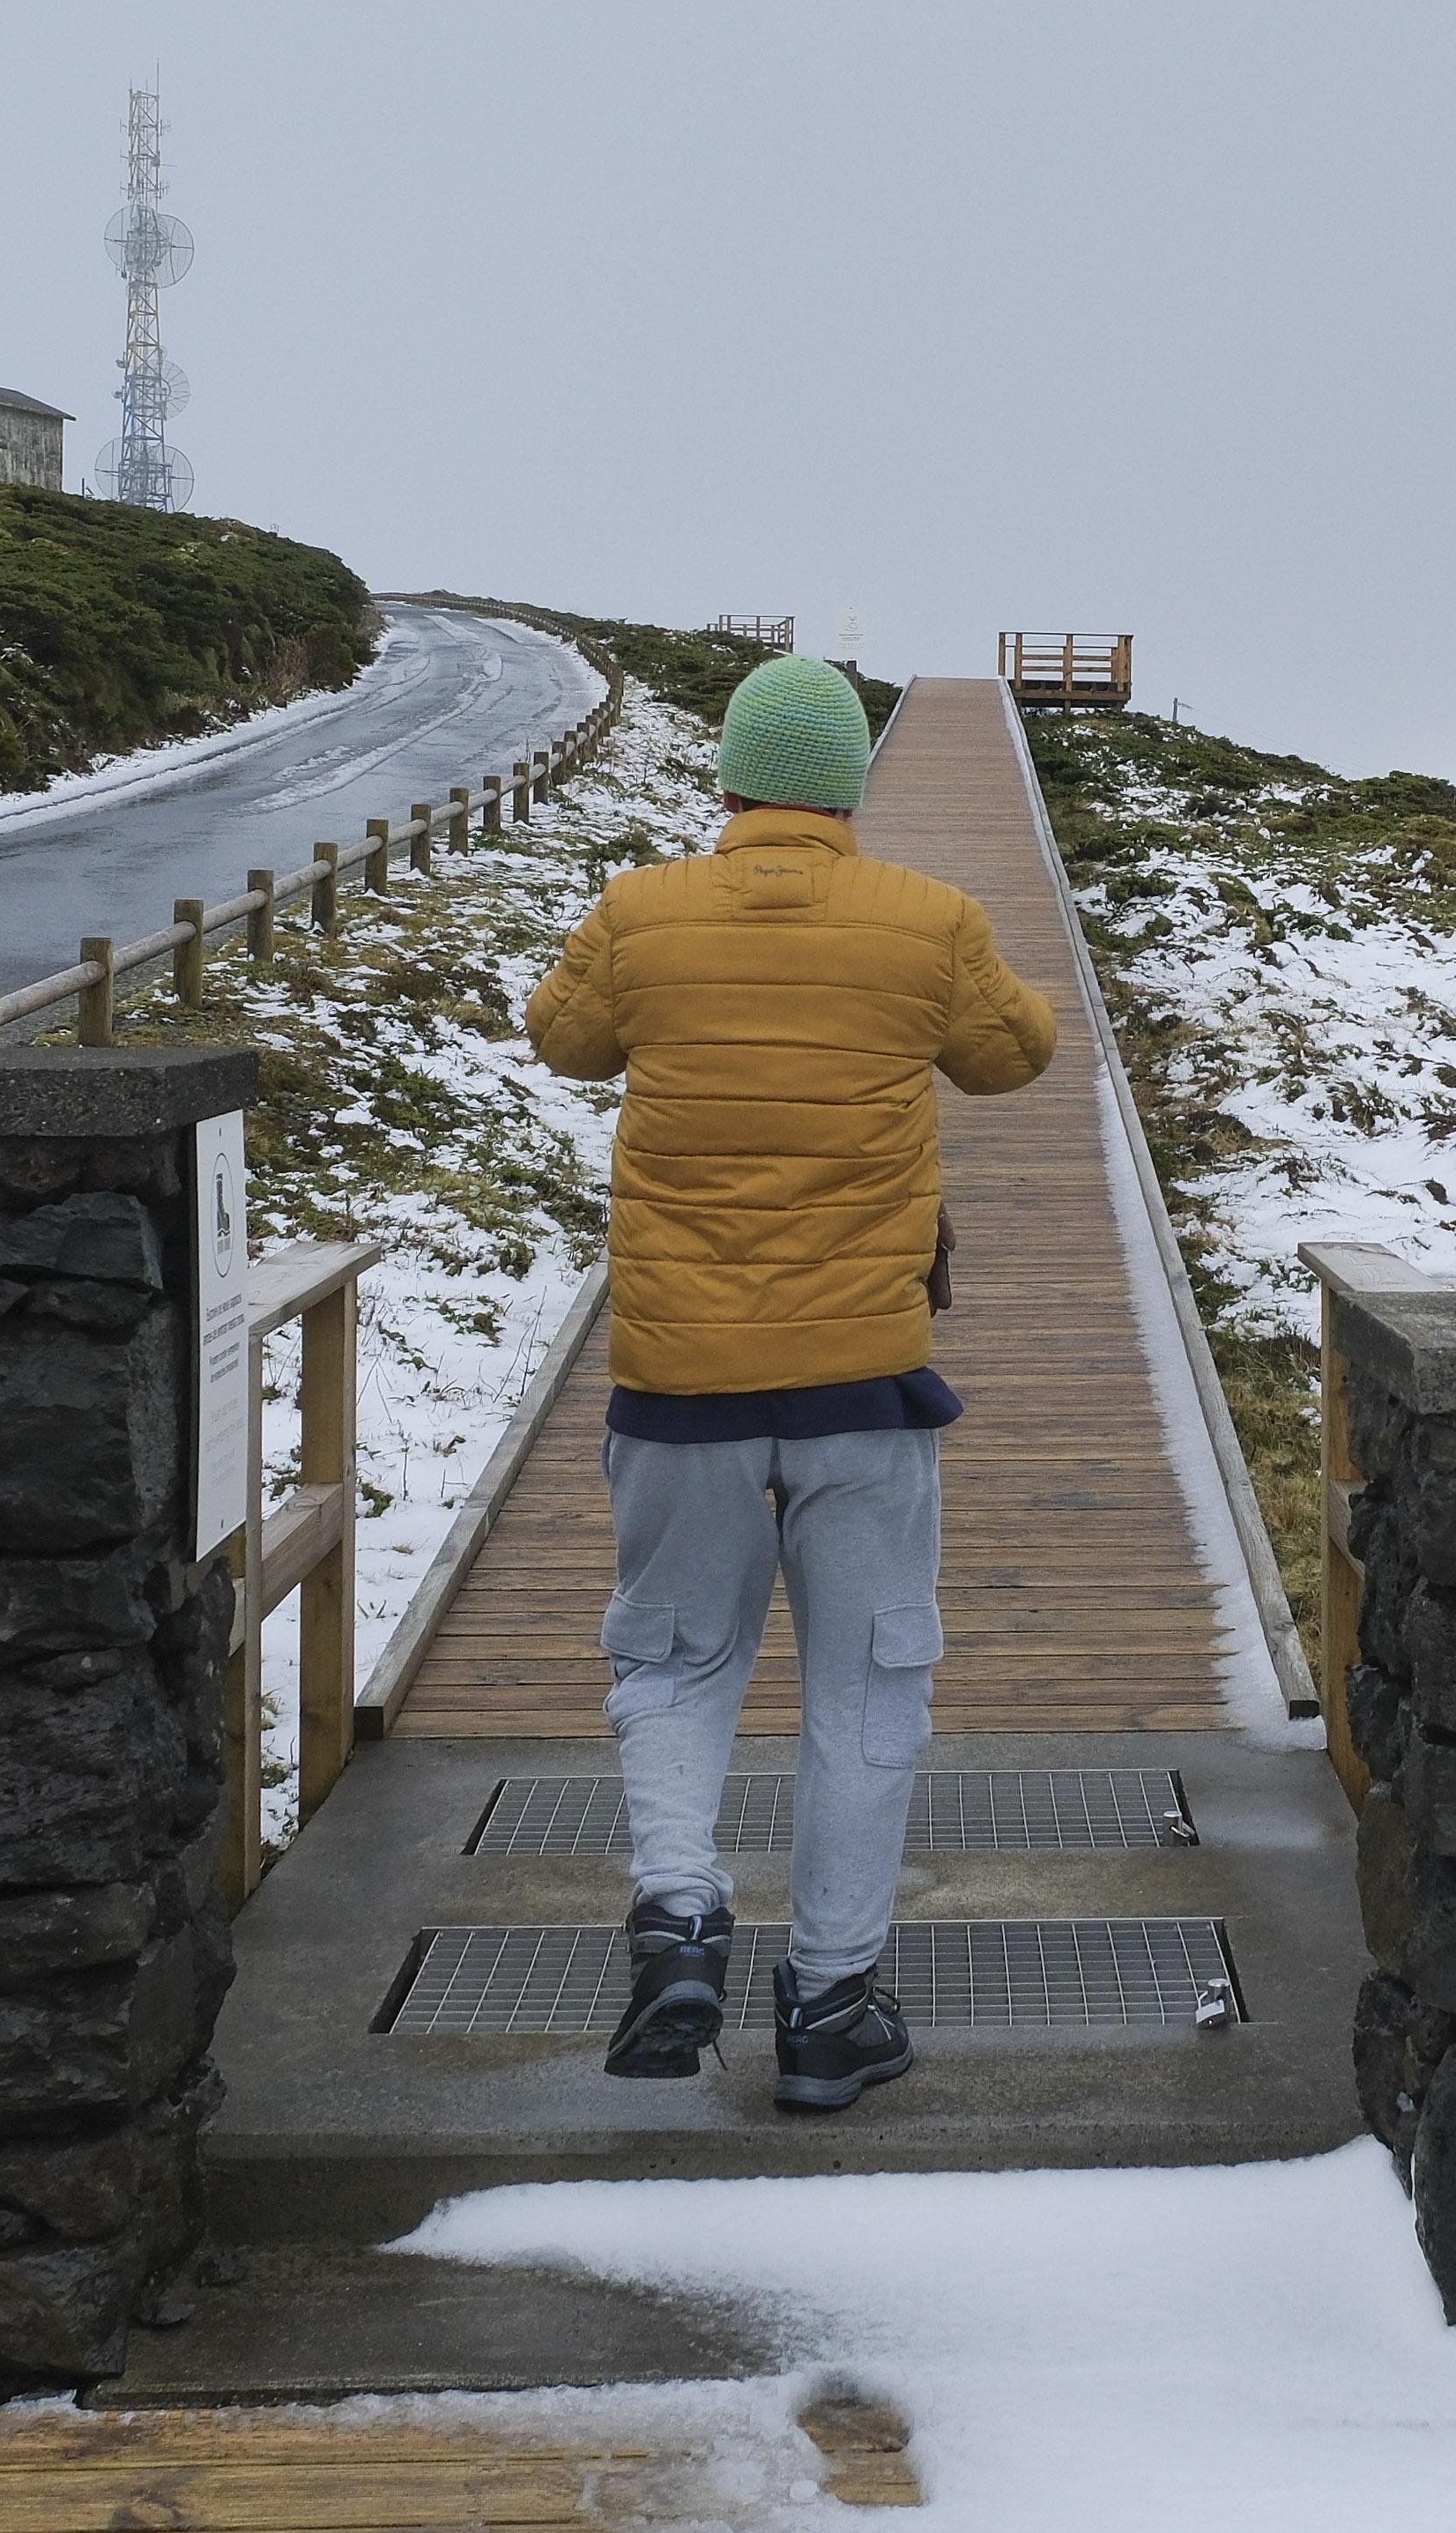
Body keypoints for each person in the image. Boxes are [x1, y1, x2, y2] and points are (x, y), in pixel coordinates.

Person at [523, 657, 1057, 2106]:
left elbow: (560, 1038)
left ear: (730, 785)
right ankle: (829, 2009)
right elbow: (1020, 1055)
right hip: (861, 1392)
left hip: (677, 1383)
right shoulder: (927, 922)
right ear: (845, 793)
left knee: (676, 1661)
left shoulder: (642, 912)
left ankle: (682, 1911)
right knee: (868, 1697)